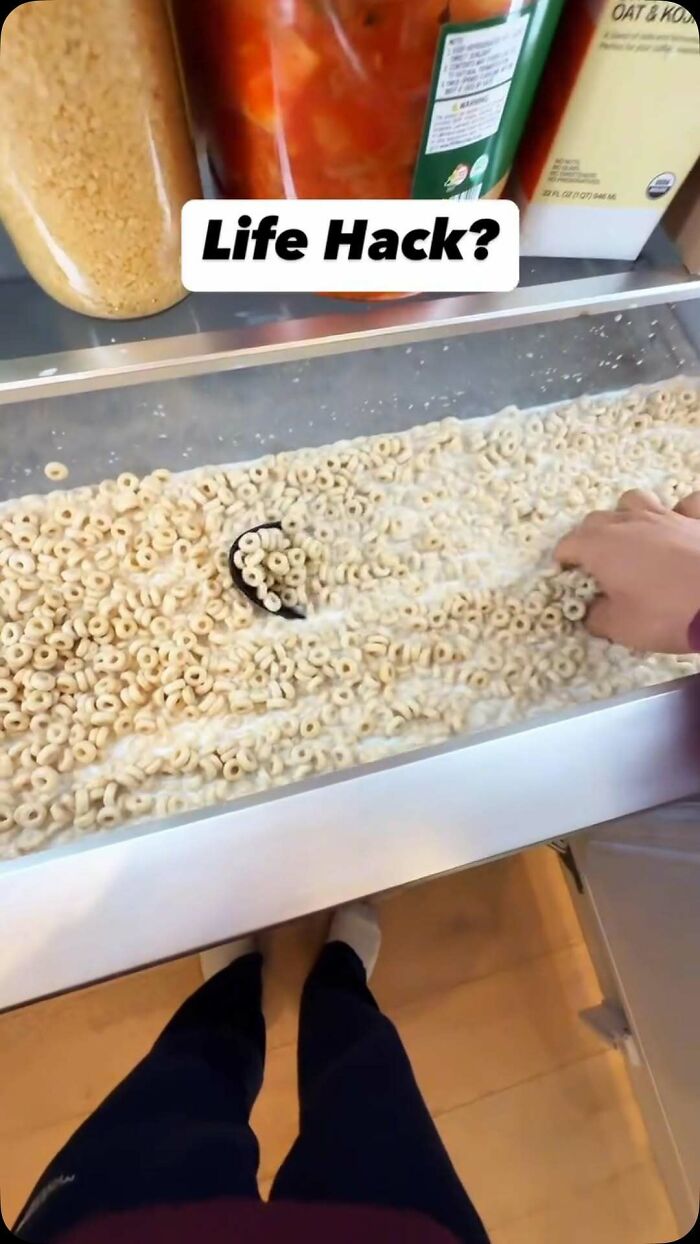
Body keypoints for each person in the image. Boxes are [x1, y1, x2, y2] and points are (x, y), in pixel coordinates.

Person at [12, 489, 700, 1244]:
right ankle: (332, 976)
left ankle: (250, 990)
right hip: (394, 1228)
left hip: (120, 1227)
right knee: (367, 1097)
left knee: (175, 1096)